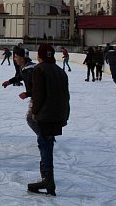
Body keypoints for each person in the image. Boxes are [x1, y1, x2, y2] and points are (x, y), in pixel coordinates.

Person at [27, 44, 70, 196]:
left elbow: (39, 94)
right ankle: (48, 178)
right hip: (58, 115)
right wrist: (65, 116)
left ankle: (48, 179)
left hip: (45, 115)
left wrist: (34, 111)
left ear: (40, 56)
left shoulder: (39, 69)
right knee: (48, 144)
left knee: (44, 144)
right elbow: (66, 96)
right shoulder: (60, 71)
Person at [2, 47, 38, 135]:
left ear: (21, 58)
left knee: (31, 118)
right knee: (35, 118)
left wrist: (27, 94)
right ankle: (46, 136)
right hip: (36, 97)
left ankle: (45, 137)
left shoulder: (30, 70)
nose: (14, 59)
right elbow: (20, 77)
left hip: (39, 97)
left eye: (15, 57)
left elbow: (38, 88)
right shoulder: (25, 67)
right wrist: (9, 82)